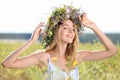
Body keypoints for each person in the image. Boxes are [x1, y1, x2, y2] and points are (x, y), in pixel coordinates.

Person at [2, 5, 118, 80]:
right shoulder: (43, 57)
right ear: (56, 31)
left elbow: (112, 51)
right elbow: (7, 64)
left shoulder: (76, 56)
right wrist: (31, 41)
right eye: (66, 28)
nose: (71, 32)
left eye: (73, 29)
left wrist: (94, 26)